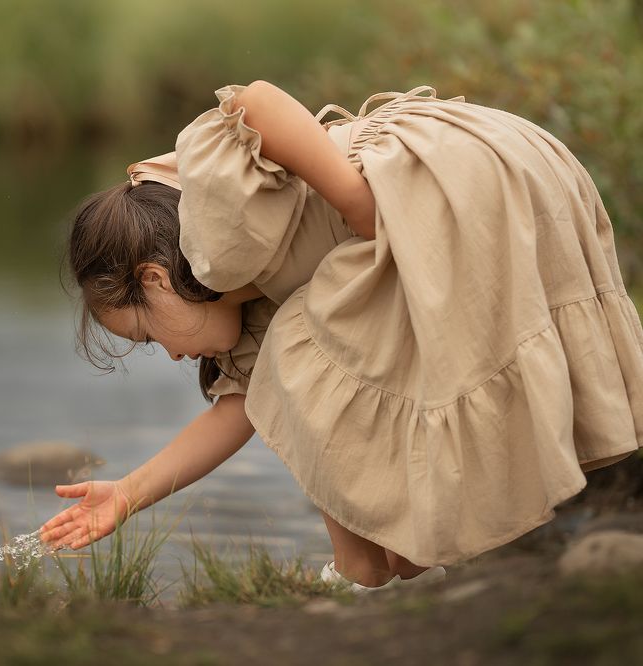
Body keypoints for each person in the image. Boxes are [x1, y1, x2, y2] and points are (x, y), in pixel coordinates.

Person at [37, 80, 643, 592]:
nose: (170, 354)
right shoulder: (261, 300)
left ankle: (356, 572)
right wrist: (127, 495)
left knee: (302, 366)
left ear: (156, 278)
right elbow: (242, 407)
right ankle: (369, 573)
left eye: (149, 335)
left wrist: (353, 199)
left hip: (450, 174)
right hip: (499, 174)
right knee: (399, 539)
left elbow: (257, 101)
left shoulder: (216, 239)